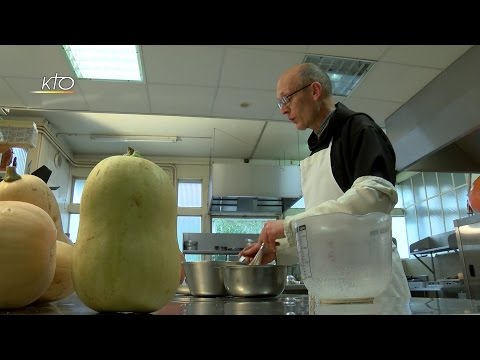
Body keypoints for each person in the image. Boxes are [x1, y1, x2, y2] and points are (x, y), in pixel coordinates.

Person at [239, 62, 410, 299]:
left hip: (372, 291)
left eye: (286, 99)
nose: (283, 110)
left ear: (315, 91)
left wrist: (290, 225)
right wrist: (277, 251)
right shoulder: (318, 149)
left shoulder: (359, 129)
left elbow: (374, 199)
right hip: (331, 289)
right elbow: (328, 232)